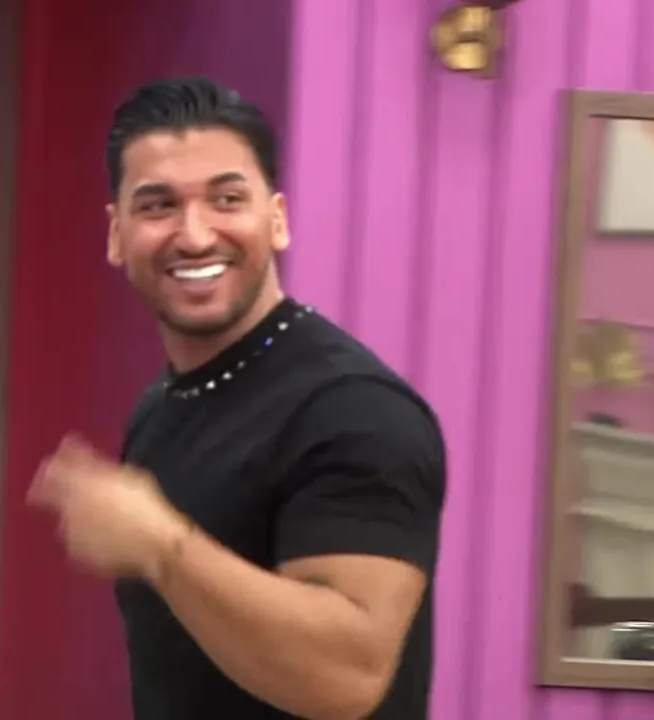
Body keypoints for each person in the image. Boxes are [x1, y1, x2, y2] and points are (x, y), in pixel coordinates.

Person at [26, 78, 446, 719]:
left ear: (276, 219)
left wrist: (165, 547)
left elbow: (348, 677)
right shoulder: (163, 408)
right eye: (159, 206)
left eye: (226, 199)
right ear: (116, 234)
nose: (195, 235)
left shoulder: (355, 411)